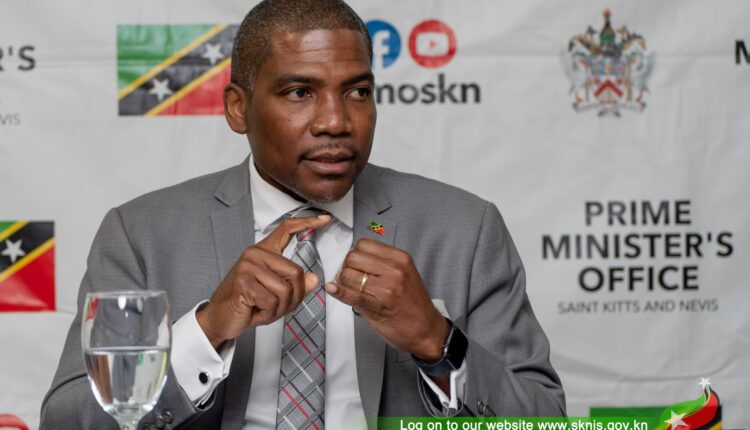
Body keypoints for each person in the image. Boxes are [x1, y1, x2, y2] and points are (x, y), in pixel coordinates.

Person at [40, 0, 565, 428]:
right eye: (300, 92)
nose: (336, 121)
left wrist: (437, 341)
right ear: (238, 108)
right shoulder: (142, 235)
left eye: (357, 91)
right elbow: (69, 422)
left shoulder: (465, 229)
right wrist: (207, 330)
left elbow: (542, 419)